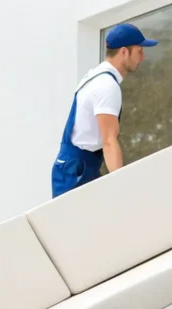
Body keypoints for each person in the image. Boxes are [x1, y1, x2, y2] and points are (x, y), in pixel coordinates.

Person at [49, 23, 158, 197]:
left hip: (79, 166)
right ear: (124, 52)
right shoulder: (106, 85)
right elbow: (109, 141)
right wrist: (121, 185)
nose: (143, 57)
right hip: (77, 169)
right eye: (139, 51)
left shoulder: (94, 76)